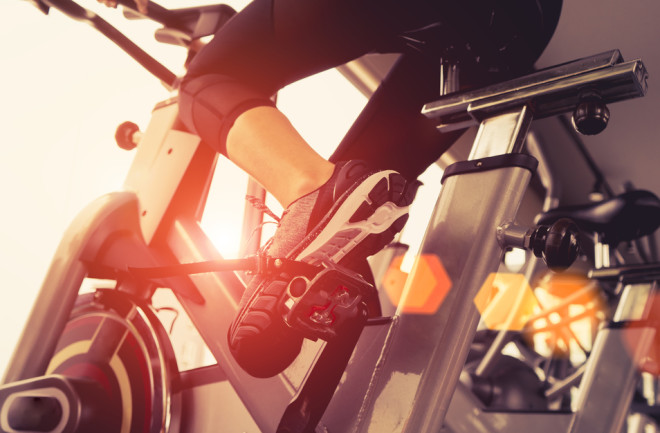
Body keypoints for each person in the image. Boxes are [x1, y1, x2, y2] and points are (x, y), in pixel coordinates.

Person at [100, 0, 561, 378]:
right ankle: (312, 286)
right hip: (525, 23)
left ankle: (307, 190)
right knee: (358, 188)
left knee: (207, 80)